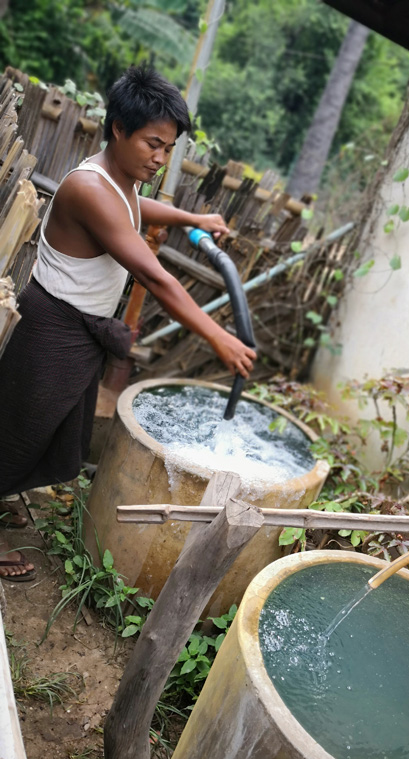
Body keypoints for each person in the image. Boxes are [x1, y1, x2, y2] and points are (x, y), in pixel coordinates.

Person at [0, 65, 256, 580]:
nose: (160, 159)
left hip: (77, 331)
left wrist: (194, 220)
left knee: (43, 432)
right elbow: (156, 277)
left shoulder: (119, 180)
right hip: (51, 331)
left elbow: (140, 208)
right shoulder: (89, 189)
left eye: (168, 148)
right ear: (118, 128)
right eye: (153, 145)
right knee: (14, 434)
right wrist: (218, 336)